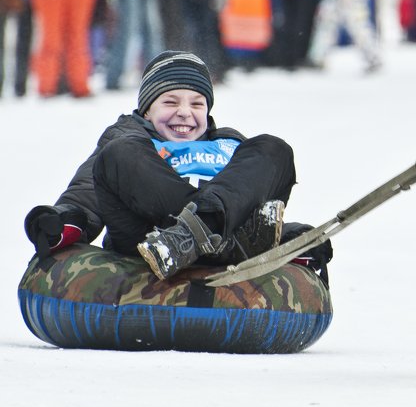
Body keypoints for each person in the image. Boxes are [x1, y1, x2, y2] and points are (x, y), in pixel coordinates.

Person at [22, 51, 330, 281]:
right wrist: (59, 222)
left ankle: (201, 231)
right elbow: (86, 193)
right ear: (147, 110)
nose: (184, 112)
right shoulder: (130, 136)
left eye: (197, 104)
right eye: (170, 102)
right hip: (149, 237)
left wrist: (291, 236)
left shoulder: (228, 142)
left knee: (273, 148)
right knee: (119, 154)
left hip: (225, 240)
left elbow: (247, 194)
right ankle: (191, 235)